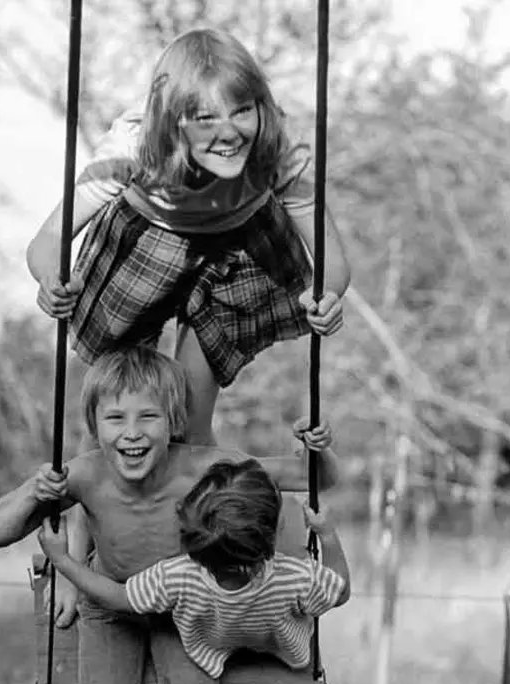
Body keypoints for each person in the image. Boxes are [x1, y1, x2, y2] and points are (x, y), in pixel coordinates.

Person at [28, 27, 351, 626]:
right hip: (145, 244)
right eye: (203, 117)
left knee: (188, 419)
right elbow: (47, 241)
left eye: (241, 110)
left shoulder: (277, 151)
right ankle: (76, 562)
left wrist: (328, 293)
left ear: (261, 106)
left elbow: (332, 255)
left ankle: (198, 551)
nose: (227, 130)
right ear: (172, 119)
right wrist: (52, 279)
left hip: (239, 251)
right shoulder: (131, 148)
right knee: (112, 409)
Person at [0, 346, 340, 684]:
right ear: (95, 426)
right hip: (111, 605)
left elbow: (313, 478)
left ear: (172, 421)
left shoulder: (205, 469)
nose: (131, 433)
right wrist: (33, 492)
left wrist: (318, 449)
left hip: (181, 608)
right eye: (115, 418)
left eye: (147, 417)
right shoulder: (84, 474)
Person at [37, 458, 350, 682]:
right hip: (279, 647)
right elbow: (340, 592)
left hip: (208, 647)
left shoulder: (179, 576)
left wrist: (64, 561)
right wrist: (327, 535)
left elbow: (119, 597)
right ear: (273, 536)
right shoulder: (293, 577)